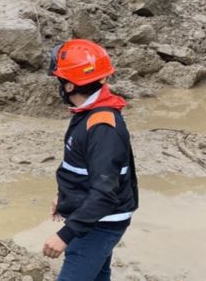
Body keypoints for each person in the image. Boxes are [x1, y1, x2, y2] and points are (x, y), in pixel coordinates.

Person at [43, 39, 138, 281]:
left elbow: (105, 193)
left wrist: (65, 235)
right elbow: (84, 168)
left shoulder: (102, 126)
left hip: (101, 223)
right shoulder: (89, 113)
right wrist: (65, 196)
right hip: (95, 218)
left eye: (60, 80)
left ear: (70, 86)